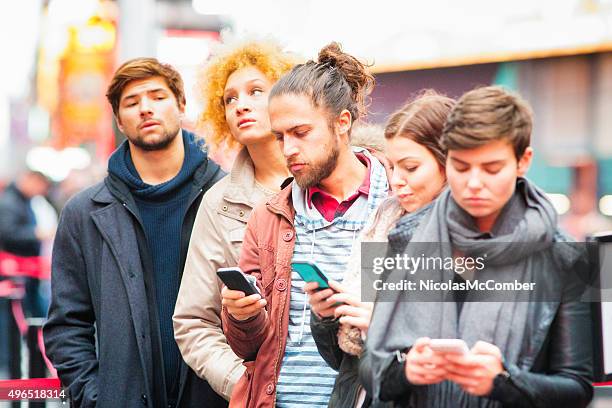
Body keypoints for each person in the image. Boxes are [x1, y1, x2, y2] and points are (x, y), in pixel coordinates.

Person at [361, 86, 593, 407]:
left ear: (523, 161)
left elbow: (579, 388)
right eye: (461, 166)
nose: (473, 183)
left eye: (491, 168)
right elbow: (370, 368)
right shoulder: (406, 235)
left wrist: (505, 382)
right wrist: (405, 369)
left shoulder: (568, 256)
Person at [43, 58, 227, 408]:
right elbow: (67, 325)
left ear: (181, 105)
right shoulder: (85, 213)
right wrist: (95, 397)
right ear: (119, 121)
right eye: (132, 102)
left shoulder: (228, 198)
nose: (146, 108)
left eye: (157, 96)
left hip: (214, 396)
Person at [220, 42, 389, 407]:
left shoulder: (395, 204)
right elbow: (247, 347)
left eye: (301, 132)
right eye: (281, 137)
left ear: (342, 122)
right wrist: (242, 316)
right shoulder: (269, 215)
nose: (288, 149)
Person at [305, 91, 455, 407]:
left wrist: (384, 324)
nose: (397, 181)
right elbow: (345, 358)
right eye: (392, 167)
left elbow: (461, 352)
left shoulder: (468, 240)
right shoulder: (385, 219)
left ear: (449, 163)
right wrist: (327, 316)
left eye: (411, 167)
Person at [172, 38, 296, 400]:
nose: (241, 105)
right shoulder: (218, 202)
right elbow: (193, 322)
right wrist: (244, 386)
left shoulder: (339, 178)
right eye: (230, 99)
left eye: (256, 91)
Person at [0, 170, 51, 317]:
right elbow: (8, 234)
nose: (40, 191)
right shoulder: (9, 202)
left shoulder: (24, 201)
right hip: (16, 268)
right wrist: (35, 234)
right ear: (30, 180)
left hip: (28, 268)